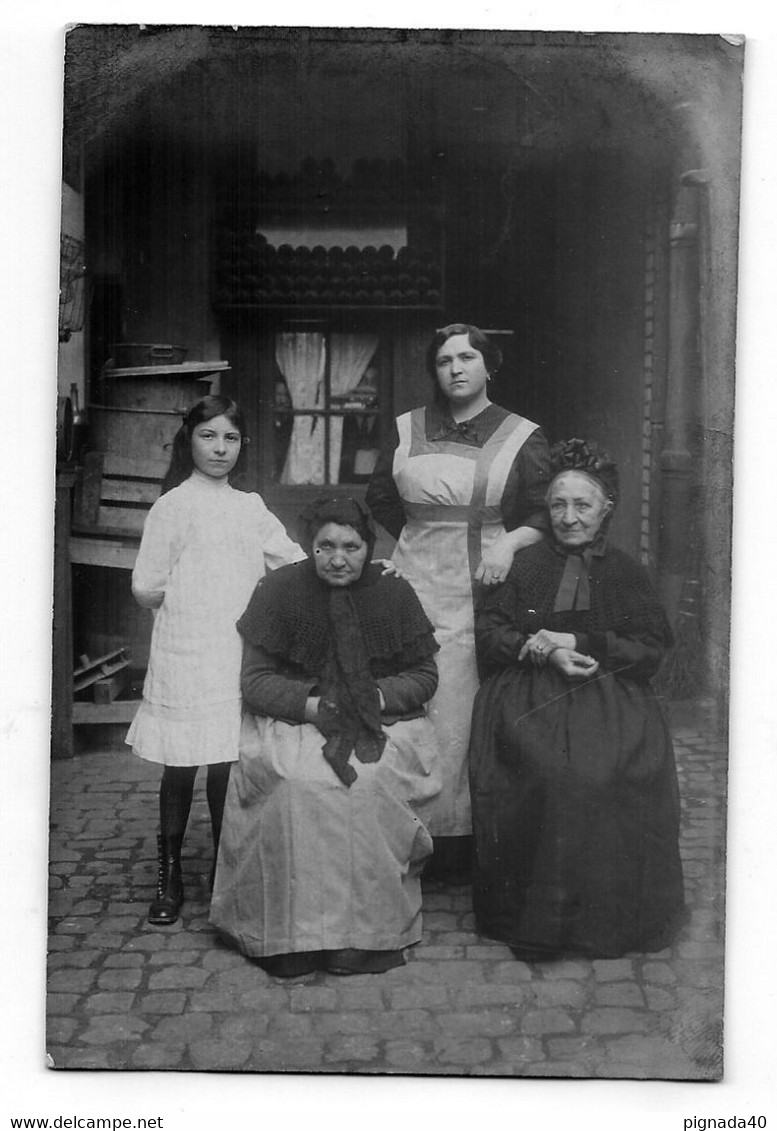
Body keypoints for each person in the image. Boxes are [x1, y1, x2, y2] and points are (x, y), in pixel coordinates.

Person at [469, 438, 685, 960]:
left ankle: (605, 919)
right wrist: (541, 652)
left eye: (582, 505)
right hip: (529, 694)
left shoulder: (627, 573)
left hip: (610, 696)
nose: (568, 518)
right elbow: (488, 635)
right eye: (558, 505)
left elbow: (652, 652)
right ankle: (537, 918)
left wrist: (582, 643)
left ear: (606, 508)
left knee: (609, 772)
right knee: (549, 772)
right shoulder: (524, 567)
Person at [210, 495, 441, 978]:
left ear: (369, 547)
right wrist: (310, 706)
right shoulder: (278, 590)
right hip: (299, 716)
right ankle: (289, 938)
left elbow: (423, 675)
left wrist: (375, 697)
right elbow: (254, 681)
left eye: (352, 547)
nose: (339, 558)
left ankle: (364, 937)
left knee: (368, 785)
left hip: (377, 718)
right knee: (296, 784)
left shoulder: (393, 593)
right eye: (326, 546)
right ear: (308, 547)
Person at [365, 323, 552, 882]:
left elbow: (543, 513)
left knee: (466, 704)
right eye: (444, 360)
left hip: (484, 585)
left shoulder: (522, 435)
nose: (456, 368)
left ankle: (467, 840)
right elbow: (381, 496)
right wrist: (422, 536)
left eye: (467, 357)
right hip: (414, 578)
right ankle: (408, 832)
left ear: (489, 365)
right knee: (412, 695)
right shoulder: (406, 427)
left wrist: (508, 541)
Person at [126, 395, 306, 926]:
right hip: (185, 651)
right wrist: (189, 607)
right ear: (190, 440)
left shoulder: (249, 508)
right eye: (208, 436)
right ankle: (170, 875)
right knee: (180, 765)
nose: (219, 448)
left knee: (227, 762)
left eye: (230, 438)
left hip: (233, 652)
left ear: (241, 445)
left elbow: (291, 559)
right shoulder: (173, 506)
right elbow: (145, 586)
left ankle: (224, 873)